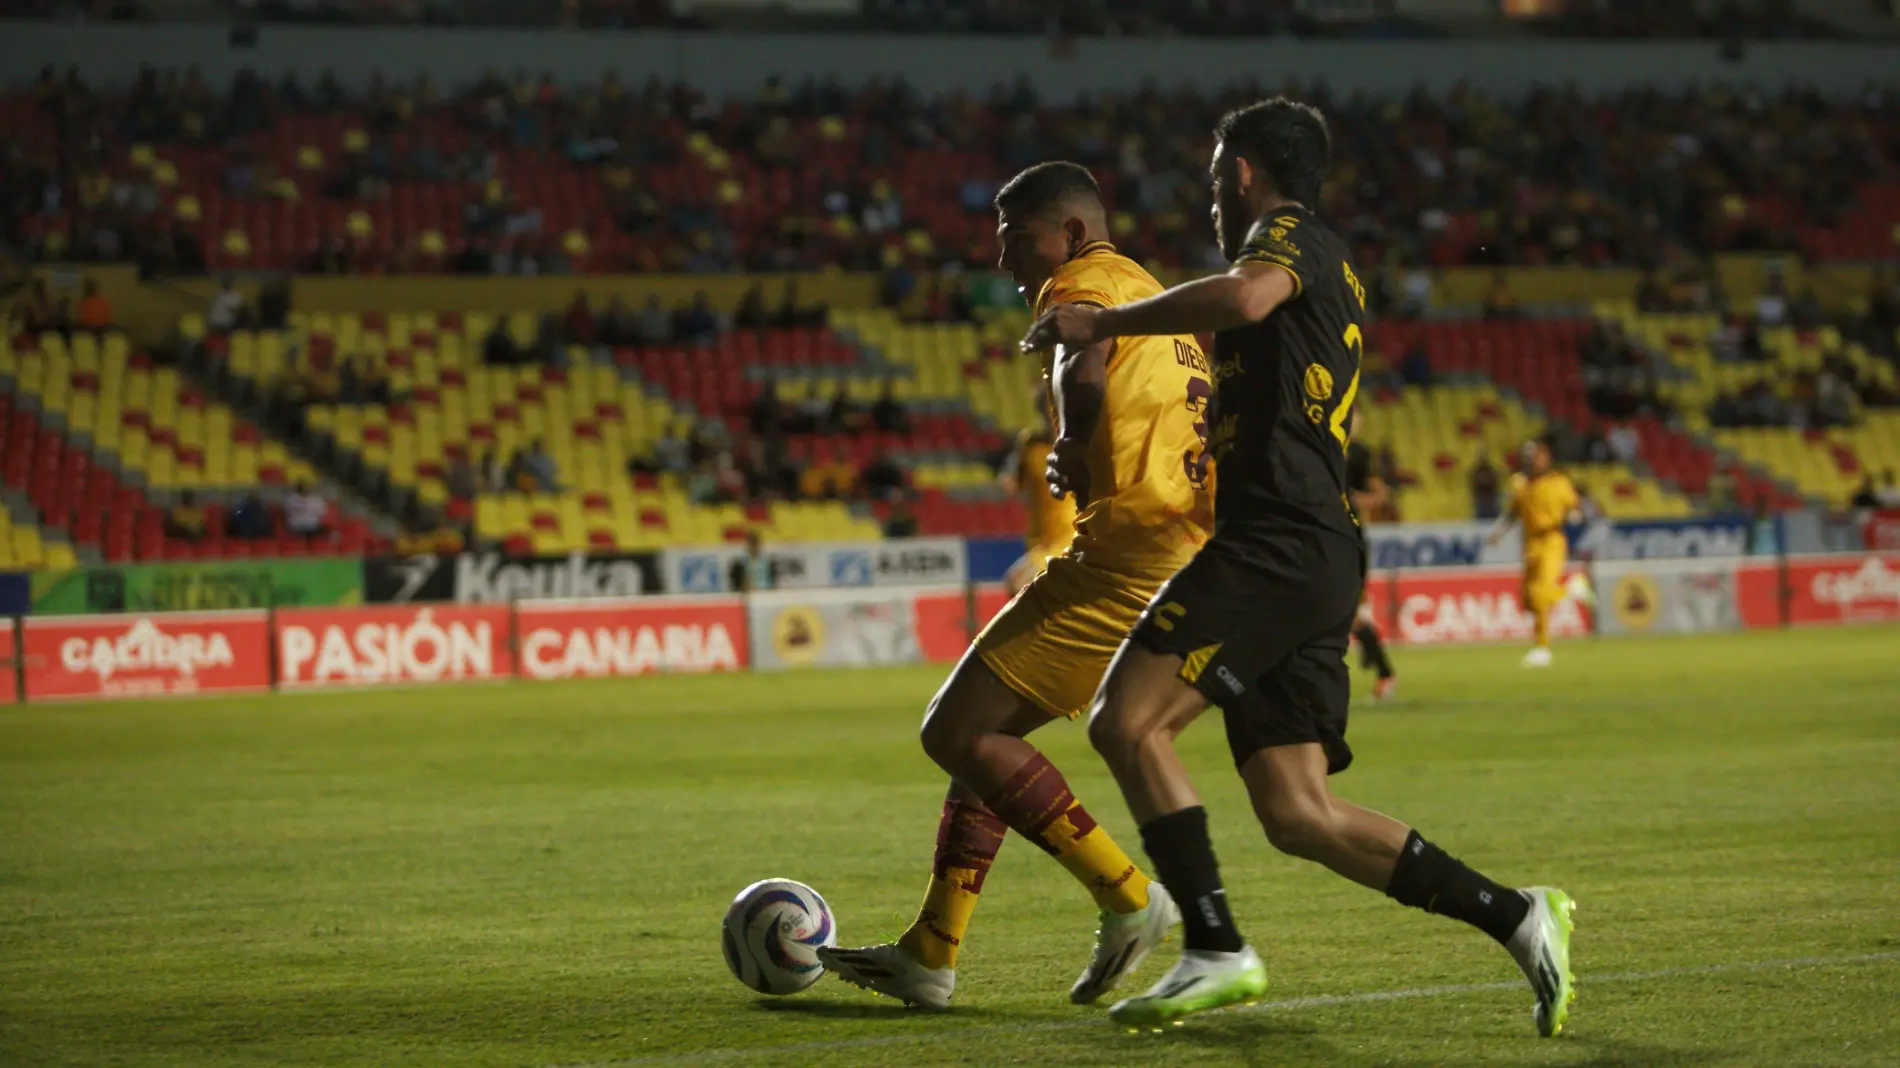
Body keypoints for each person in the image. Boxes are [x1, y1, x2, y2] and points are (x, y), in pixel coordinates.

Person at [1020, 99, 1574, 1036]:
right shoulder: (1310, 264)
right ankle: (1518, 915)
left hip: (1278, 541)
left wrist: (1105, 324)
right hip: (1310, 548)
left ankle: (1214, 944)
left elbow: (1240, 298)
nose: (1211, 200)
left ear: (1240, 173)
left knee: (1128, 722)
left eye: (1211, 180)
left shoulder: (1287, 236)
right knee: (1297, 811)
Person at [820, 161, 1216, 1012]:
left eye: (1015, 237)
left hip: (1127, 556)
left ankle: (1128, 895)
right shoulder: (1150, 290)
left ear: (1068, 233)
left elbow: (1085, 359)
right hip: (1179, 552)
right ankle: (933, 949)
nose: (1002, 259)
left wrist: (1070, 443)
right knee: (985, 739)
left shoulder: (1082, 284)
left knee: (951, 729)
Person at [1489, 439, 1595, 667]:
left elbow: (1576, 507)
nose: (1532, 461)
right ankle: (1572, 589)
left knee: (1540, 592)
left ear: (1546, 458)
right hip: (1530, 544)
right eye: (1528, 457)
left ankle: (1542, 647)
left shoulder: (1558, 483)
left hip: (1551, 540)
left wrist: (1574, 515)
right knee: (1529, 601)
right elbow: (1514, 512)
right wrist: (1499, 532)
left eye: (1536, 456)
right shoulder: (1519, 485)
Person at [998, 392, 1076, 596]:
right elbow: (1015, 484)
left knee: (1018, 584)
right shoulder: (1031, 446)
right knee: (1017, 586)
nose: (1053, 416)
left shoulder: (1081, 446)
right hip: (1040, 539)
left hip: (1068, 537)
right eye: (1048, 411)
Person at [1345, 409, 1396, 700]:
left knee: (1347, 613)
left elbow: (1381, 494)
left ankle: (1385, 672)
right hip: (1315, 537)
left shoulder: (1359, 454)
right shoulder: (1317, 444)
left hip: (1348, 537)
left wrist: (1352, 499)